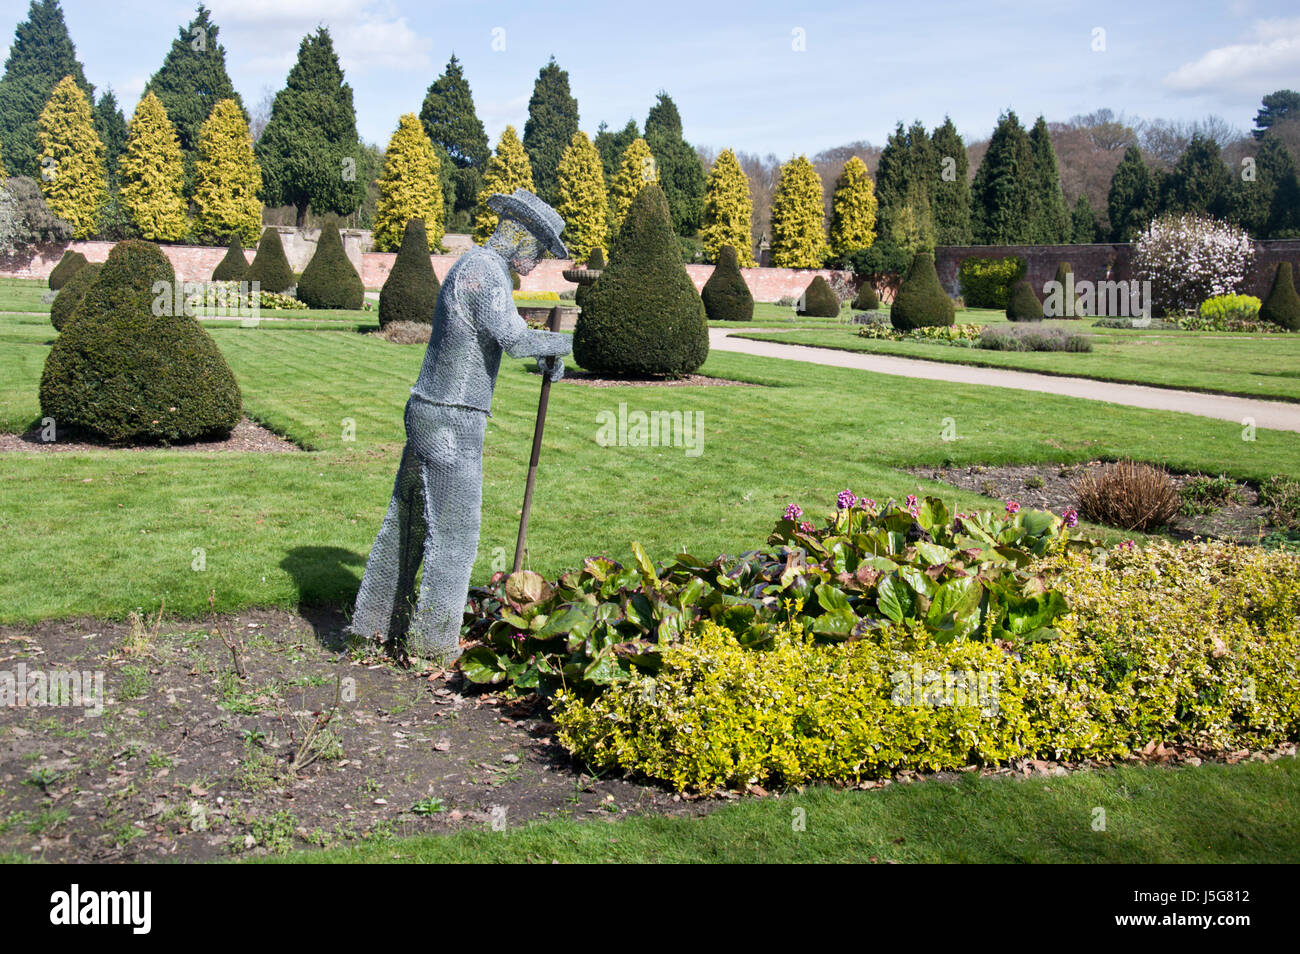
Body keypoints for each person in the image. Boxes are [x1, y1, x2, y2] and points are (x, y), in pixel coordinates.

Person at [348, 189, 572, 664]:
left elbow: (492, 341)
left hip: (431, 407)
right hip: (453, 417)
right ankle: (432, 648)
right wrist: (565, 342)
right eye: (538, 248)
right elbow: (513, 339)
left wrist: (548, 355)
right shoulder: (486, 272)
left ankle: (373, 628)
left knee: (405, 524)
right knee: (456, 534)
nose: (535, 261)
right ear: (519, 234)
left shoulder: (472, 265)